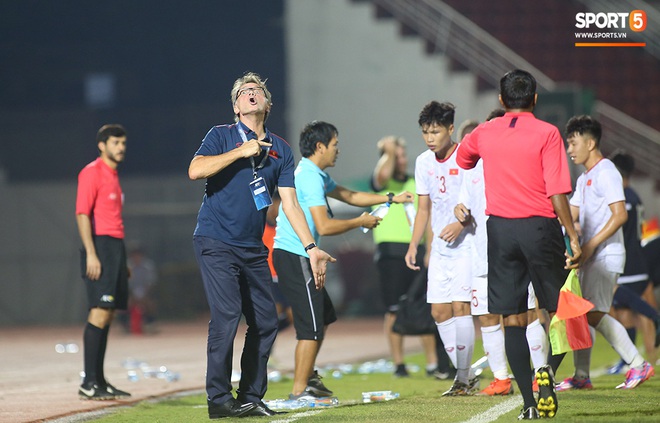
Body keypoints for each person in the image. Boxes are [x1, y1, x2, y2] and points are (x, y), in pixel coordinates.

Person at [188, 72, 335, 419]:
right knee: (226, 316)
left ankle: (250, 396)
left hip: (252, 247)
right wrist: (241, 151)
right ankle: (219, 399)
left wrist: (311, 247)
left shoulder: (281, 150)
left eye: (257, 91)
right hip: (215, 239)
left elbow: (291, 204)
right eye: (243, 91)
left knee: (267, 322)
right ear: (236, 106)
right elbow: (195, 170)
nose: (251, 94)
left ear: (267, 104)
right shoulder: (221, 135)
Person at [456, 69, 581, 420]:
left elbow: (464, 159)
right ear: (535, 99)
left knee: (511, 317)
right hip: (540, 227)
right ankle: (548, 373)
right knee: (562, 310)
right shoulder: (547, 133)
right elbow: (557, 192)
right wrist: (572, 236)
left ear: (500, 100)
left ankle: (528, 403)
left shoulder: (484, 132)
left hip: (500, 231)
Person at [273, 121, 413, 401]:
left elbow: (349, 195)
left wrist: (390, 197)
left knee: (323, 315)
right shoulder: (309, 177)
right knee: (310, 327)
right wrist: (359, 221)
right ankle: (300, 391)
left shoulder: (316, 173)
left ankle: (308, 376)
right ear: (320, 146)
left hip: (301, 255)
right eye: (335, 144)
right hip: (296, 255)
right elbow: (324, 226)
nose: (338, 150)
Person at [554, 116, 654, 392]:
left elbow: (619, 215)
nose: (570, 150)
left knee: (594, 313)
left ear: (591, 142)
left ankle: (637, 363)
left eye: (573, 143)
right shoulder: (586, 176)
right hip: (590, 256)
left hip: (605, 254)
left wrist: (590, 244)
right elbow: (570, 214)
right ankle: (582, 375)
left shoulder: (606, 170)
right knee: (581, 314)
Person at [405, 101, 477, 397]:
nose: (429, 137)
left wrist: (461, 225)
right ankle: (466, 374)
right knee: (438, 312)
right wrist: (415, 244)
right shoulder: (423, 162)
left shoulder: (468, 158)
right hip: (440, 249)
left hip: (468, 243)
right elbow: (424, 208)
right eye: (425, 132)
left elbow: (477, 198)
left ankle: (462, 377)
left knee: (461, 307)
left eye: (435, 131)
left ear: (450, 128)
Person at [371, 135, 446, 379]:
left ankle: (432, 362)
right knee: (393, 309)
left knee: (424, 306)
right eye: (397, 156)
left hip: (418, 251)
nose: (401, 160)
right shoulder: (383, 183)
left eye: (403, 155)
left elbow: (430, 216)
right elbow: (381, 174)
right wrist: (389, 151)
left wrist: (430, 248)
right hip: (390, 251)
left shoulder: (416, 182)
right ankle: (399, 364)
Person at [75, 124, 132, 400]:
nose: (121, 147)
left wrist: (122, 261)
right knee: (98, 312)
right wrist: (92, 253)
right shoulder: (91, 172)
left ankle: (99, 380)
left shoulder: (113, 175)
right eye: (116, 142)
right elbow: (82, 214)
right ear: (102, 145)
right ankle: (88, 382)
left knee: (108, 314)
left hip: (115, 248)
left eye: (123, 143)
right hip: (99, 245)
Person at [607, 153, 660, 372]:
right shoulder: (634, 196)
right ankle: (631, 360)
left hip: (628, 263)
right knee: (624, 313)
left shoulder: (624, 199)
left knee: (631, 310)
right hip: (636, 261)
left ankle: (647, 359)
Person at [124, 245, 158, 335]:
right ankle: (126, 325)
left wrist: (144, 296)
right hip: (132, 293)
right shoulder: (127, 266)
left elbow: (150, 283)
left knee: (150, 304)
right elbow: (125, 284)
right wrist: (132, 296)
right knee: (125, 304)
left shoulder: (148, 266)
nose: (136, 258)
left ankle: (150, 324)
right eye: (134, 255)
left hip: (145, 292)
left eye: (138, 255)